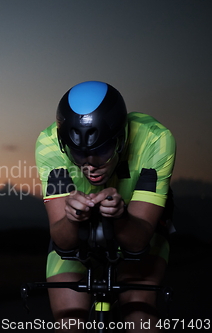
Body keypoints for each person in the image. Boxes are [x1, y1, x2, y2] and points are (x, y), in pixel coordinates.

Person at [35, 81, 176, 332]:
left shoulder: (156, 139)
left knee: (139, 315)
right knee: (69, 323)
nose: (91, 165)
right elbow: (62, 240)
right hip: (78, 226)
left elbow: (138, 241)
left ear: (121, 139)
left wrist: (121, 218)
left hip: (138, 221)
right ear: (63, 144)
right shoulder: (48, 144)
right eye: (78, 154)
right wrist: (72, 219)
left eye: (102, 151)